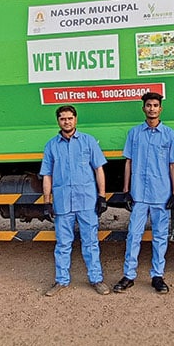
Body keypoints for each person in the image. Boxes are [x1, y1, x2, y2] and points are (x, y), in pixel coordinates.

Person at [113, 92, 174, 295]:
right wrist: (126, 191)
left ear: (161, 109)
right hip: (139, 195)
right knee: (133, 235)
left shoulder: (170, 135)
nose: (152, 108)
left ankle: (157, 276)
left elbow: (173, 165)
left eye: (155, 105)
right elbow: (129, 162)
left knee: (160, 236)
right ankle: (128, 276)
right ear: (143, 108)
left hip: (161, 194)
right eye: (148, 105)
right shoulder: (134, 133)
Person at [40, 105, 111, 297]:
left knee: (91, 242)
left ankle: (96, 279)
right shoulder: (51, 146)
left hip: (87, 202)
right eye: (63, 118)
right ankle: (61, 281)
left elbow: (99, 169)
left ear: (76, 119)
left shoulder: (88, 142)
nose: (67, 121)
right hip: (63, 203)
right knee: (63, 244)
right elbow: (47, 175)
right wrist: (47, 202)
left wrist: (102, 196)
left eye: (70, 118)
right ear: (58, 121)